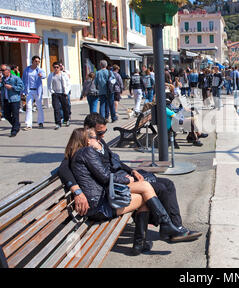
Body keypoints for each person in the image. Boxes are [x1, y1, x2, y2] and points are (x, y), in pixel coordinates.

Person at [59, 115, 201, 248]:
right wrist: (77, 191)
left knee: (167, 184)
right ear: (87, 131)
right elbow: (64, 169)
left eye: (104, 132)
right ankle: (163, 230)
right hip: (111, 190)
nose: (102, 137)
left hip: (117, 183)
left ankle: (174, 227)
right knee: (156, 189)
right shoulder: (83, 150)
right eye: (99, 134)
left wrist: (132, 171)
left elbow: (115, 162)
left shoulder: (98, 143)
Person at [22, 56, 46, 130]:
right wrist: (22, 91)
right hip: (29, 91)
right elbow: (23, 80)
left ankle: (40, 122)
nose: (37, 63)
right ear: (32, 61)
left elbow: (44, 76)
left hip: (37, 91)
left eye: (38, 61)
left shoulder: (39, 70)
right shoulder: (27, 70)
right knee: (29, 107)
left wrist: (41, 75)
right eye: (36, 61)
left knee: (39, 107)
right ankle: (28, 124)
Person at [0, 64, 24, 137]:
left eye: (3, 70)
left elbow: (21, 87)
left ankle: (14, 130)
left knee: (15, 115)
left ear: (8, 70)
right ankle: (16, 125)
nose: (2, 72)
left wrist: (12, 87)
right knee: (6, 115)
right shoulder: (3, 79)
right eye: (1, 70)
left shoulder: (15, 78)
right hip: (5, 99)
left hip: (14, 99)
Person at [47, 62, 71, 130]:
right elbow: (49, 85)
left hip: (63, 93)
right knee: (56, 108)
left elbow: (68, 84)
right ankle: (58, 123)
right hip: (55, 94)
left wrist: (66, 92)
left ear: (60, 68)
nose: (56, 69)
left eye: (57, 67)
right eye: (54, 67)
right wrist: (52, 92)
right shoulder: (51, 75)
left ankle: (66, 120)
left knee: (65, 107)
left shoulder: (63, 75)